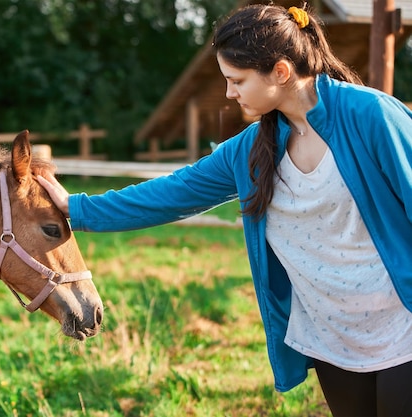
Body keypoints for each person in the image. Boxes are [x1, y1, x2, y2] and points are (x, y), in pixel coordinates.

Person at [37, 3, 412, 416]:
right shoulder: (251, 150)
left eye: (237, 80)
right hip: (334, 341)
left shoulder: (372, 117)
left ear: (281, 72)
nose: (230, 92)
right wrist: (77, 206)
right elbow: (172, 193)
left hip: (403, 328)